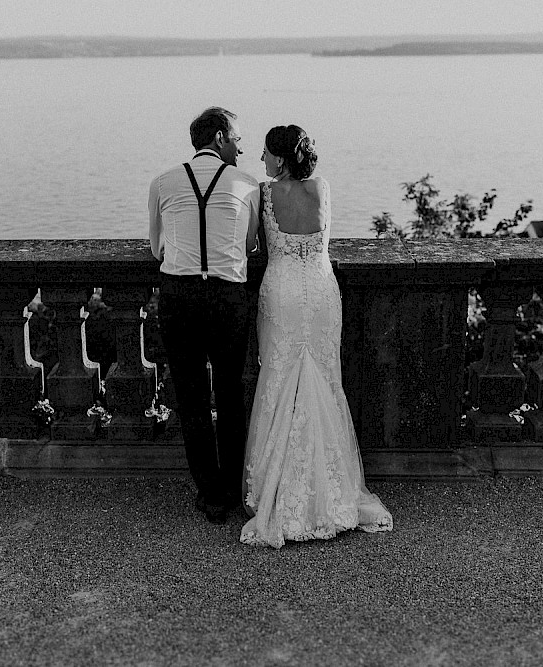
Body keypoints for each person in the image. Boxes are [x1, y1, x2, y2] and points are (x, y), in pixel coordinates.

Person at [240, 125, 393, 548]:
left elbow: (254, 246)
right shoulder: (322, 188)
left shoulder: (263, 194)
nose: (262, 159)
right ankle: (333, 489)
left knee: (278, 379)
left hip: (283, 292)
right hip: (323, 291)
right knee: (325, 379)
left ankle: (278, 489)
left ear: (282, 158)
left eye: (267, 152)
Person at [149, 107, 261, 524]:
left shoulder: (162, 181)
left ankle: (209, 492)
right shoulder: (247, 184)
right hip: (228, 297)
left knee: (191, 396)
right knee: (231, 393)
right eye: (236, 139)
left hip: (178, 296)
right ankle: (231, 487)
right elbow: (250, 245)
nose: (241, 147)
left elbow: (157, 248)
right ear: (218, 138)